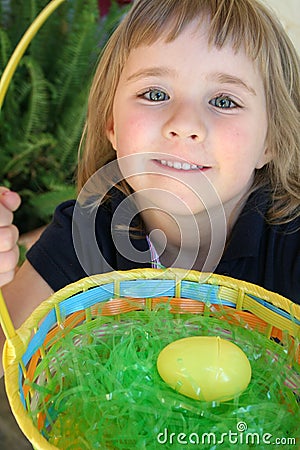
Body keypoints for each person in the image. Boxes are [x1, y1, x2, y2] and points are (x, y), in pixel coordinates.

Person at [0, 0, 299, 376]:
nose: (185, 123)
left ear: (270, 142)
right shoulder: (88, 233)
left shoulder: (290, 245)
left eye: (224, 101)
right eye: (155, 94)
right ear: (112, 124)